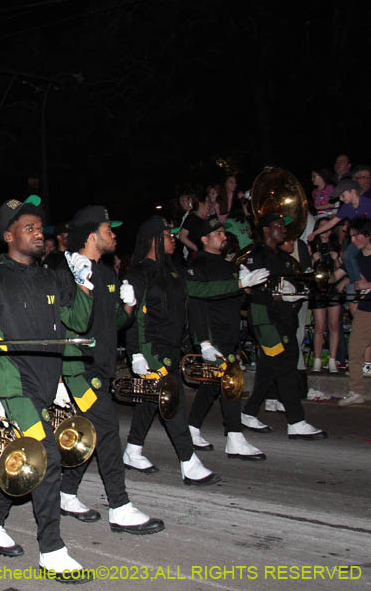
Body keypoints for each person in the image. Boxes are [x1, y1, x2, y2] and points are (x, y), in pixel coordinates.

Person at [0, 195, 95, 583]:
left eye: (40, 228)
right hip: (14, 385)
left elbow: (73, 324)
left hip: (45, 382)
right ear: (9, 235)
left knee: (26, 461)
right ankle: (52, 550)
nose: (39, 233)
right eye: (29, 228)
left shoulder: (49, 276)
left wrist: (84, 283)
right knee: (47, 458)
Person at [57, 206, 165, 535]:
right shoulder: (66, 272)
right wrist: (60, 377)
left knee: (89, 434)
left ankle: (65, 493)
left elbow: (114, 321)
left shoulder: (106, 272)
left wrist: (128, 307)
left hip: (101, 369)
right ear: (92, 234)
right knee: (106, 431)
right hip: (77, 371)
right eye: (109, 228)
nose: (114, 233)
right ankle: (119, 506)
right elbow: (63, 325)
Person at [122, 216, 221, 486]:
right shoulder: (139, 272)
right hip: (152, 349)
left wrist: (238, 284)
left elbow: (198, 294)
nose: (173, 238)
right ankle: (189, 462)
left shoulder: (174, 270)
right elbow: (134, 318)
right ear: (154, 239)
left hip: (173, 348)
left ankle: (132, 450)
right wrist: (136, 354)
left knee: (150, 400)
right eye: (167, 234)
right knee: (172, 401)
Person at [185, 217, 269, 459]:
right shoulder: (197, 265)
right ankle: (235, 437)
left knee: (211, 385)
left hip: (230, 334)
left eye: (223, 233)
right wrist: (204, 342)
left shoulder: (228, 266)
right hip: (214, 337)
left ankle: (191, 428)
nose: (224, 236)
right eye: (218, 233)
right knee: (232, 383)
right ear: (204, 239)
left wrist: (246, 287)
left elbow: (237, 302)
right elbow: (197, 303)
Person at [240, 213, 327, 439]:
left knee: (270, 369)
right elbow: (251, 291)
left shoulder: (286, 259)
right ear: (267, 229)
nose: (283, 229)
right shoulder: (256, 255)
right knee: (285, 368)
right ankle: (296, 421)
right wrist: (277, 297)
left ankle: (248, 412)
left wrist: (294, 296)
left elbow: (294, 288)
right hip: (264, 319)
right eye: (278, 225)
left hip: (284, 320)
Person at [339, 217, 371, 406]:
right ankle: (356, 391)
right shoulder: (356, 258)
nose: (353, 240)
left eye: (356, 236)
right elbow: (342, 276)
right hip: (365, 308)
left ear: (367, 235)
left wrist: (368, 284)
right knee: (355, 348)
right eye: (351, 236)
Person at [309, 218, 343, 373]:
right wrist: (314, 259)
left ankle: (332, 360)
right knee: (319, 325)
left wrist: (336, 259)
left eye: (327, 227)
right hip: (318, 289)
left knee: (334, 324)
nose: (325, 230)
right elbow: (308, 270)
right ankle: (317, 360)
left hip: (333, 288)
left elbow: (343, 269)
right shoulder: (312, 245)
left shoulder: (336, 245)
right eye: (322, 227)